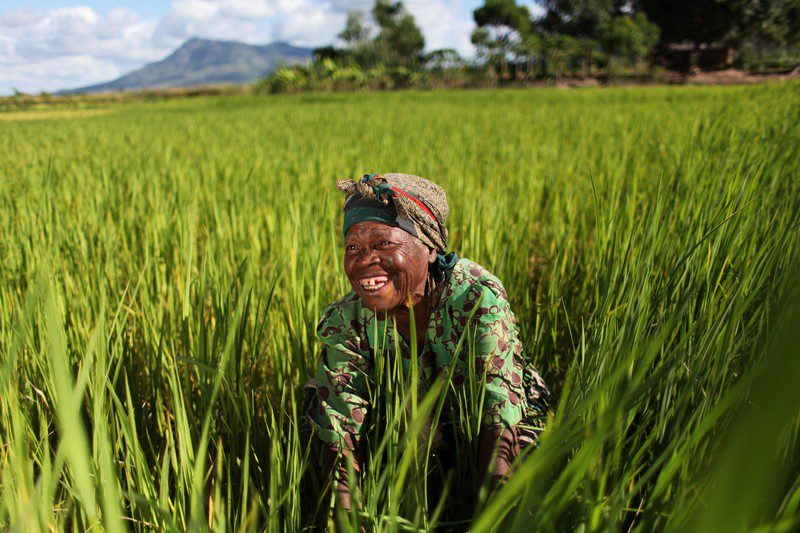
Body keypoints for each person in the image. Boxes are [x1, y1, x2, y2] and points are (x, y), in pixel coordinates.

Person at [305, 173, 551, 511]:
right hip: (407, 417)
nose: (363, 261)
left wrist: (492, 513)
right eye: (353, 247)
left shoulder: (475, 298)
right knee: (313, 405)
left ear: (430, 248)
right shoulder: (348, 319)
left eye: (383, 244)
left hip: (487, 415)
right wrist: (345, 513)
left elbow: (497, 410)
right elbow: (340, 422)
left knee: (523, 468)